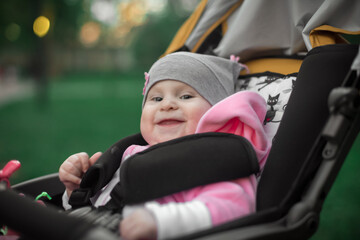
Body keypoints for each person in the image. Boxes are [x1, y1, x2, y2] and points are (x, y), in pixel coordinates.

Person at [59, 52, 271, 240]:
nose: (167, 104)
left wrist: (160, 223)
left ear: (217, 114)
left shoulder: (211, 160)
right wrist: (75, 192)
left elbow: (236, 206)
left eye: (186, 96)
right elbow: (101, 206)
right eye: (156, 98)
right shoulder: (133, 154)